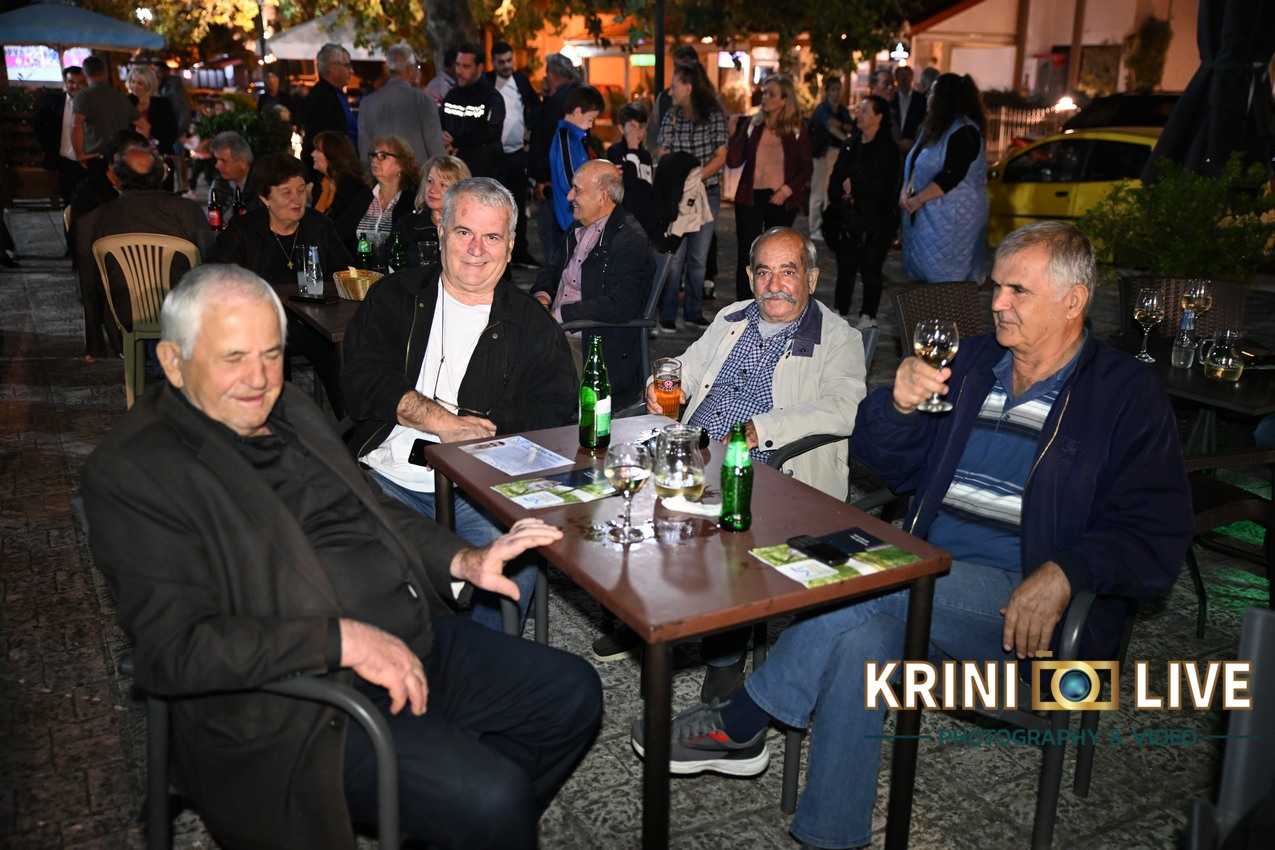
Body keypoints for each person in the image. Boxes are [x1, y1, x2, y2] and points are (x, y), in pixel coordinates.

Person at [631, 221, 1192, 850]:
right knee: (858, 637)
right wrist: (895, 408)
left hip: (1025, 604)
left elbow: (1156, 533)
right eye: (995, 287)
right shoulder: (973, 364)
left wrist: (1068, 573)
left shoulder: (1123, 395)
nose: (998, 303)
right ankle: (830, 836)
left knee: (864, 584)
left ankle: (745, 718)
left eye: (1018, 291)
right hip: (924, 572)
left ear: (1073, 301)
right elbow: (888, 465)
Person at [83, 263, 602, 850]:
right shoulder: (138, 471)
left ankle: (456, 826)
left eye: (272, 354)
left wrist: (462, 560)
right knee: (493, 798)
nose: (258, 378)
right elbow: (175, 651)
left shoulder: (287, 409)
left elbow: (372, 507)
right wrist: (343, 641)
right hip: (298, 701)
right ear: (174, 362)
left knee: (571, 694)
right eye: (233, 358)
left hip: (408, 635)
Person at [601, 228, 868, 691]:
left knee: (723, 528)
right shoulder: (732, 317)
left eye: (788, 272)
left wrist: (763, 428)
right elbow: (685, 366)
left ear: (811, 277)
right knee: (627, 491)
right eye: (764, 273)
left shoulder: (837, 338)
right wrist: (661, 384)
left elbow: (843, 408)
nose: (775, 285)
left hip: (770, 465)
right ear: (749, 276)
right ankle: (643, 610)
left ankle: (724, 654)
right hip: (696, 448)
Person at [342, 178, 576, 632]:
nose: (476, 249)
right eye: (464, 232)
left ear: (510, 246)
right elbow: (361, 380)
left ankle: (478, 662)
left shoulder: (532, 326)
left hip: (479, 491)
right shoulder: (395, 296)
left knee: (513, 561)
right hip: (386, 477)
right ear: (441, 231)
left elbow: (553, 416)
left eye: (492, 237)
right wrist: (443, 422)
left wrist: (485, 440)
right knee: (355, 560)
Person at [74, 144, 213, 361]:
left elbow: (88, 286)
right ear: (163, 174)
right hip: (184, 316)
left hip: (124, 321)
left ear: (114, 178)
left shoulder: (91, 222)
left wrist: (94, 345)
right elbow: (211, 263)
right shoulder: (188, 211)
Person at [531, 160, 654, 403]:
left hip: (593, 346)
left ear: (603, 196)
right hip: (558, 331)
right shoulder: (578, 227)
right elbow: (552, 269)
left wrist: (562, 314)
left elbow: (622, 304)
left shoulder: (629, 240)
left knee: (520, 370)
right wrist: (543, 294)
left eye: (577, 190)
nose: (569, 196)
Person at [727, 74, 812, 302]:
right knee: (748, 254)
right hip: (750, 197)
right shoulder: (752, 125)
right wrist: (733, 134)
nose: (765, 98)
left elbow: (806, 168)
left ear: (784, 100)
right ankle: (745, 304)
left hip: (780, 198)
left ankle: (774, 300)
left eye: (771, 94)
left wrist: (786, 190)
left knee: (776, 256)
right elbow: (733, 161)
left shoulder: (796, 128)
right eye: (764, 93)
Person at [656, 64, 727, 332]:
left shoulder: (713, 116)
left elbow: (721, 155)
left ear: (688, 87)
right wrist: (680, 178)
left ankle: (693, 312)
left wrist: (696, 177)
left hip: (707, 193)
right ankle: (668, 313)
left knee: (698, 257)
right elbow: (663, 151)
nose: (670, 91)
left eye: (674, 85)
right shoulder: (672, 116)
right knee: (674, 257)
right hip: (677, 196)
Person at [900, 72, 989, 283]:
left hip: (954, 219)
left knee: (948, 281)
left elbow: (951, 176)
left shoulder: (965, 132)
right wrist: (905, 190)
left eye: (932, 92)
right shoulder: (933, 129)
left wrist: (918, 199)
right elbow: (914, 163)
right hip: (928, 215)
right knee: (927, 278)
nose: (928, 96)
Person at [825, 95, 900, 327]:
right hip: (849, 218)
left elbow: (887, 188)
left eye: (865, 111)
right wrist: (842, 191)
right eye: (859, 110)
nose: (859, 114)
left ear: (879, 117)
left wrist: (856, 186)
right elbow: (836, 178)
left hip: (876, 221)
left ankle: (868, 315)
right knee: (845, 267)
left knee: (871, 267)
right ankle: (840, 310)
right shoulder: (851, 144)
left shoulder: (888, 149)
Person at [487, 41, 542, 268]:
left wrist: (529, 134)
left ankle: (520, 251)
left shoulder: (520, 80)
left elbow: (535, 107)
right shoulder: (487, 82)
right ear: (493, 62)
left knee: (518, 204)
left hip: (517, 153)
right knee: (495, 205)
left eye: (509, 60)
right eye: (501, 62)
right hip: (495, 156)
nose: (506, 65)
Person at [529, 53, 582, 267]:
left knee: (554, 244)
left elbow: (544, 138)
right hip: (565, 181)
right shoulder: (575, 97)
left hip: (554, 183)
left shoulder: (557, 103)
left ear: (552, 75)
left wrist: (542, 179)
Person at [357, 44, 444, 167]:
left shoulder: (367, 103)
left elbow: (364, 150)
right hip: (416, 174)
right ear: (409, 69)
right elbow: (435, 149)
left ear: (388, 70)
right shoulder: (424, 101)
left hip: (381, 174)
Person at [547, 86, 606, 247]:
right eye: (590, 119)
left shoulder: (577, 138)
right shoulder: (566, 138)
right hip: (572, 220)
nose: (591, 125)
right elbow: (569, 180)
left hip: (579, 216)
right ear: (578, 111)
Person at [346, 134, 418, 260]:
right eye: (373, 155)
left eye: (383, 156)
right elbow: (340, 234)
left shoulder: (411, 201)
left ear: (401, 164)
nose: (374, 160)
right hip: (360, 268)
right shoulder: (363, 196)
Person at [440, 43, 505, 179]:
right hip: (453, 174)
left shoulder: (492, 98)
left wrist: (457, 142)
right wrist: (444, 140)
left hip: (482, 176)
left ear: (479, 67)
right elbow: (440, 123)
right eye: (457, 65)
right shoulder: (451, 96)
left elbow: (490, 133)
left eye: (466, 66)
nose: (459, 71)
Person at [395, 154, 471, 268]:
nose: (433, 190)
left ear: (460, 191)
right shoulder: (408, 225)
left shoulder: (469, 229)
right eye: (430, 181)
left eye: (443, 185)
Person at [605, 102, 661, 243]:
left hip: (645, 219)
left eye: (641, 127)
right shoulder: (615, 152)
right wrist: (632, 150)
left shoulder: (645, 155)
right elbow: (628, 185)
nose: (637, 131)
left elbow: (646, 187)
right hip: (625, 218)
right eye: (632, 126)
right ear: (621, 128)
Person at [72, 55, 138, 174]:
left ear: (85, 73)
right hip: (121, 156)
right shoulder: (120, 96)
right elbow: (144, 125)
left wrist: (79, 154)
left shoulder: (83, 96)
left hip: (95, 156)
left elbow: (77, 126)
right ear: (105, 72)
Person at [34, 65, 89, 207]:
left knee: (89, 202)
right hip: (64, 161)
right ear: (65, 83)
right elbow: (39, 126)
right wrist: (48, 149)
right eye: (71, 82)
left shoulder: (95, 103)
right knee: (68, 201)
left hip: (89, 161)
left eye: (80, 82)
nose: (75, 86)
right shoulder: (52, 103)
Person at [807, 76, 852, 241]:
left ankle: (826, 227)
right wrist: (845, 137)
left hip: (836, 153)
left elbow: (849, 125)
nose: (836, 93)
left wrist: (842, 126)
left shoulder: (842, 110)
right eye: (833, 90)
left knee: (830, 191)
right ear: (827, 92)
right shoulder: (822, 109)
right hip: (822, 154)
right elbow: (831, 127)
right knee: (818, 191)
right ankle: (815, 228)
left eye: (839, 89)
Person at [301, 43, 357, 175]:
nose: (352, 71)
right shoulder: (322, 97)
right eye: (347, 65)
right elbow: (322, 140)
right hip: (329, 172)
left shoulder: (334, 93)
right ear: (332, 68)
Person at [311, 130, 371, 236]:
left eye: (318, 150)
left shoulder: (354, 190)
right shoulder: (321, 186)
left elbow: (343, 231)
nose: (312, 154)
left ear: (332, 155)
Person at [126, 65, 179, 157]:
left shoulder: (162, 104)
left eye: (140, 83)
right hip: (132, 154)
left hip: (159, 153)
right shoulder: (125, 102)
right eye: (132, 81)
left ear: (148, 85)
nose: (134, 86)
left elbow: (172, 132)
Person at [209, 131, 258, 221]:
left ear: (243, 163)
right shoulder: (219, 185)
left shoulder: (261, 187)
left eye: (223, 161)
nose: (217, 166)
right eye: (217, 160)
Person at [891, 65, 927, 153]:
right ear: (896, 78)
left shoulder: (921, 99)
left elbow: (924, 121)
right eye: (901, 76)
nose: (904, 80)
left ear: (911, 77)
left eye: (906, 76)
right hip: (893, 146)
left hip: (913, 145)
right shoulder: (891, 98)